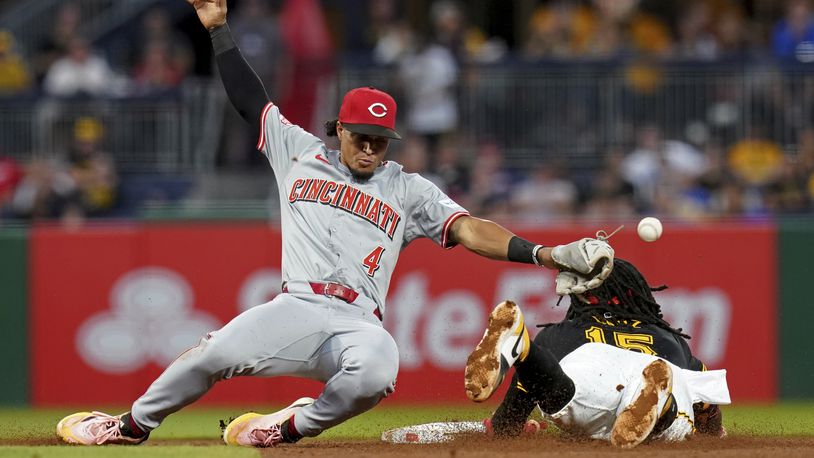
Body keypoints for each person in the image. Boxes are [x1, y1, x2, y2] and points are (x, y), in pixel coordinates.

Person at [55, 0, 614, 448]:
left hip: (355, 320)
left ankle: (289, 428)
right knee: (211, 355)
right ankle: (129, 426)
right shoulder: (299, 153)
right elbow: (254, 104)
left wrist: (543, 254)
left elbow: (469, 229)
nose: (371, 147)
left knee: (377, 371)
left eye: (380, 139)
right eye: (360, 136)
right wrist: (220, 31)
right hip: (295, 305)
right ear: (339, 129)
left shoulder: (405, 186)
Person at [464, 258, 730, 448]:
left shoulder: (561, 333)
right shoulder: (669, 338)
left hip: (591, 368)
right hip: (653, 367)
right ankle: (659, 404)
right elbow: (705, 402)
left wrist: (507, 427)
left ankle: (523, 349)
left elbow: (514, 411)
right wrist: (714, 431)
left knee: (559, 392)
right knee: (676, 416)